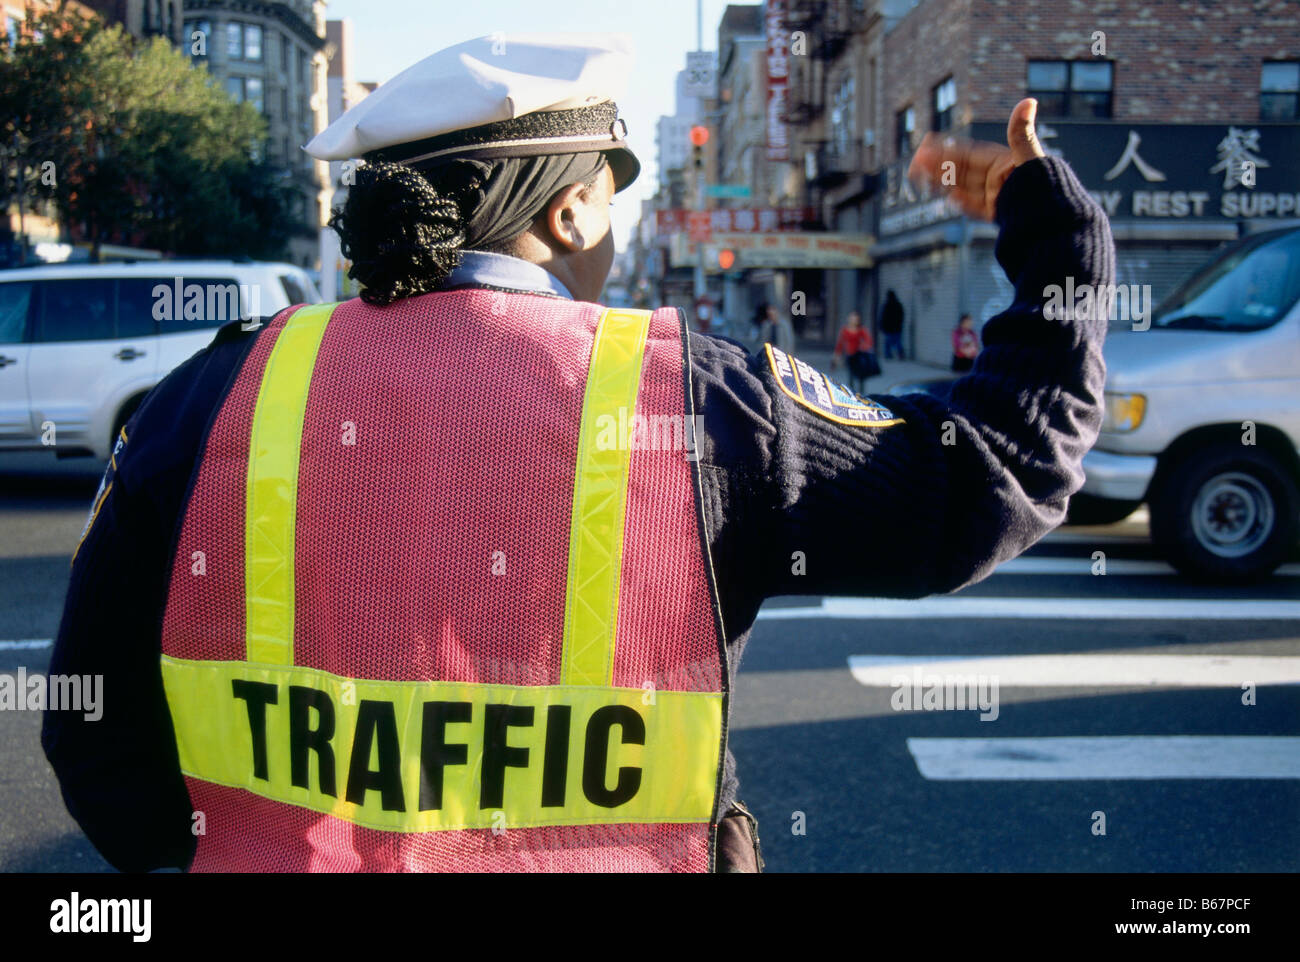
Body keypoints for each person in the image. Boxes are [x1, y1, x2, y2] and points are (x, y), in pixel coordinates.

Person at [43, 42, 1111, 876]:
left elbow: (91, 726)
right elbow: (993, 472)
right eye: (616, 191)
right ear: (569, 208)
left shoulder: (212, 392)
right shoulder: (690, 390)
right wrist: (1053, 239)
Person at [830, 309, 879, 395]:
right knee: (851, 375)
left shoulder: (862, 330)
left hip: (859, 356)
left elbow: (869, 342)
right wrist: (835, 360)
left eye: (855, 319)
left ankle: (861, 393)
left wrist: (863, 346)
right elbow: (840, 345)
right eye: (851, 318)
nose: (853, 320)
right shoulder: (844, 330)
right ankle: (851, 392)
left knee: (861, 376)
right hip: (850, 356)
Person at [880, 288, 905, 359]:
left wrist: (882, 326)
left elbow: (883, 317)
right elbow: (902, 315)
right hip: (897, 327)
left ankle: (888, 355)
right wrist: (900, 323)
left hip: (888, 328)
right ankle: (900, 354)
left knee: (887, 343)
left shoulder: (886, 305)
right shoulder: (898, 305)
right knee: (898, 342)